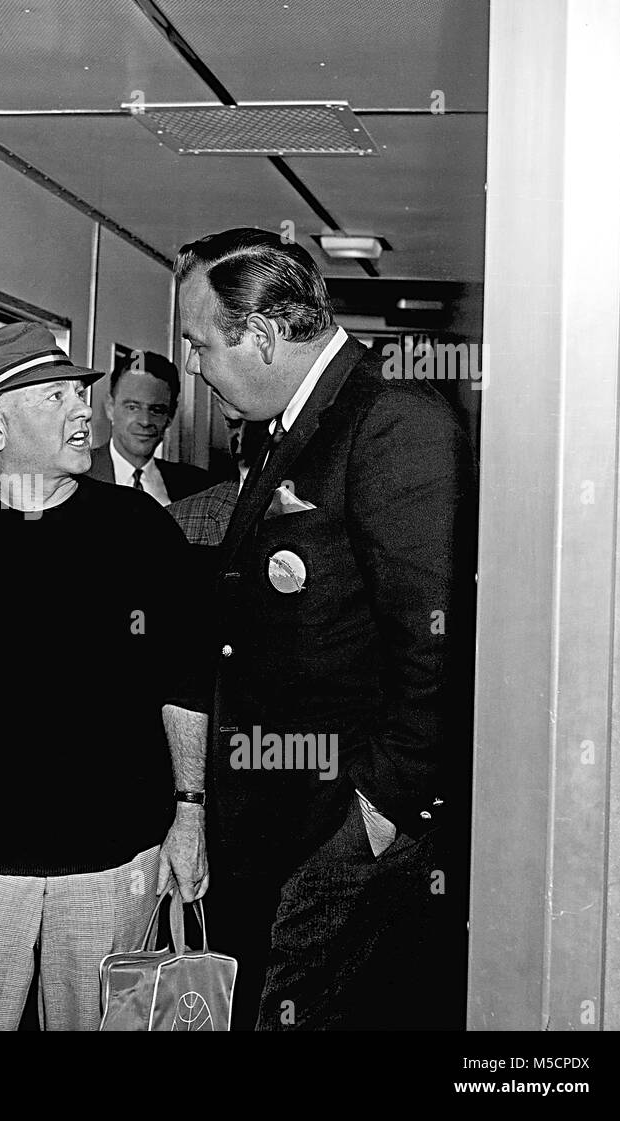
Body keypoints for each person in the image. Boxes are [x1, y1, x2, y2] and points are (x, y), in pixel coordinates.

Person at [176, 227, 476, 1030]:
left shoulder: (392, 420)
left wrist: (377, 816)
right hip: (283, 819)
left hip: (341, 828)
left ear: (265, 337)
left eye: (201, 345)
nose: (196, 369)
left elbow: (436, 643)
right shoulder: (296, 427)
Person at [0, 322, 211, 1031]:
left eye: (79, 393)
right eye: (55, 395)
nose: (81, 410)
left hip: (115, 858)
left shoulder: (142, 529)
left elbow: (183, 682)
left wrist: (190, 811)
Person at [88, 347, 211, 504]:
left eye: (157, 410)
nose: (145, 421)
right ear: (110, 407)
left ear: (170, 416)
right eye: (133, 407)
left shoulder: (196, 486)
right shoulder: (74, 477)